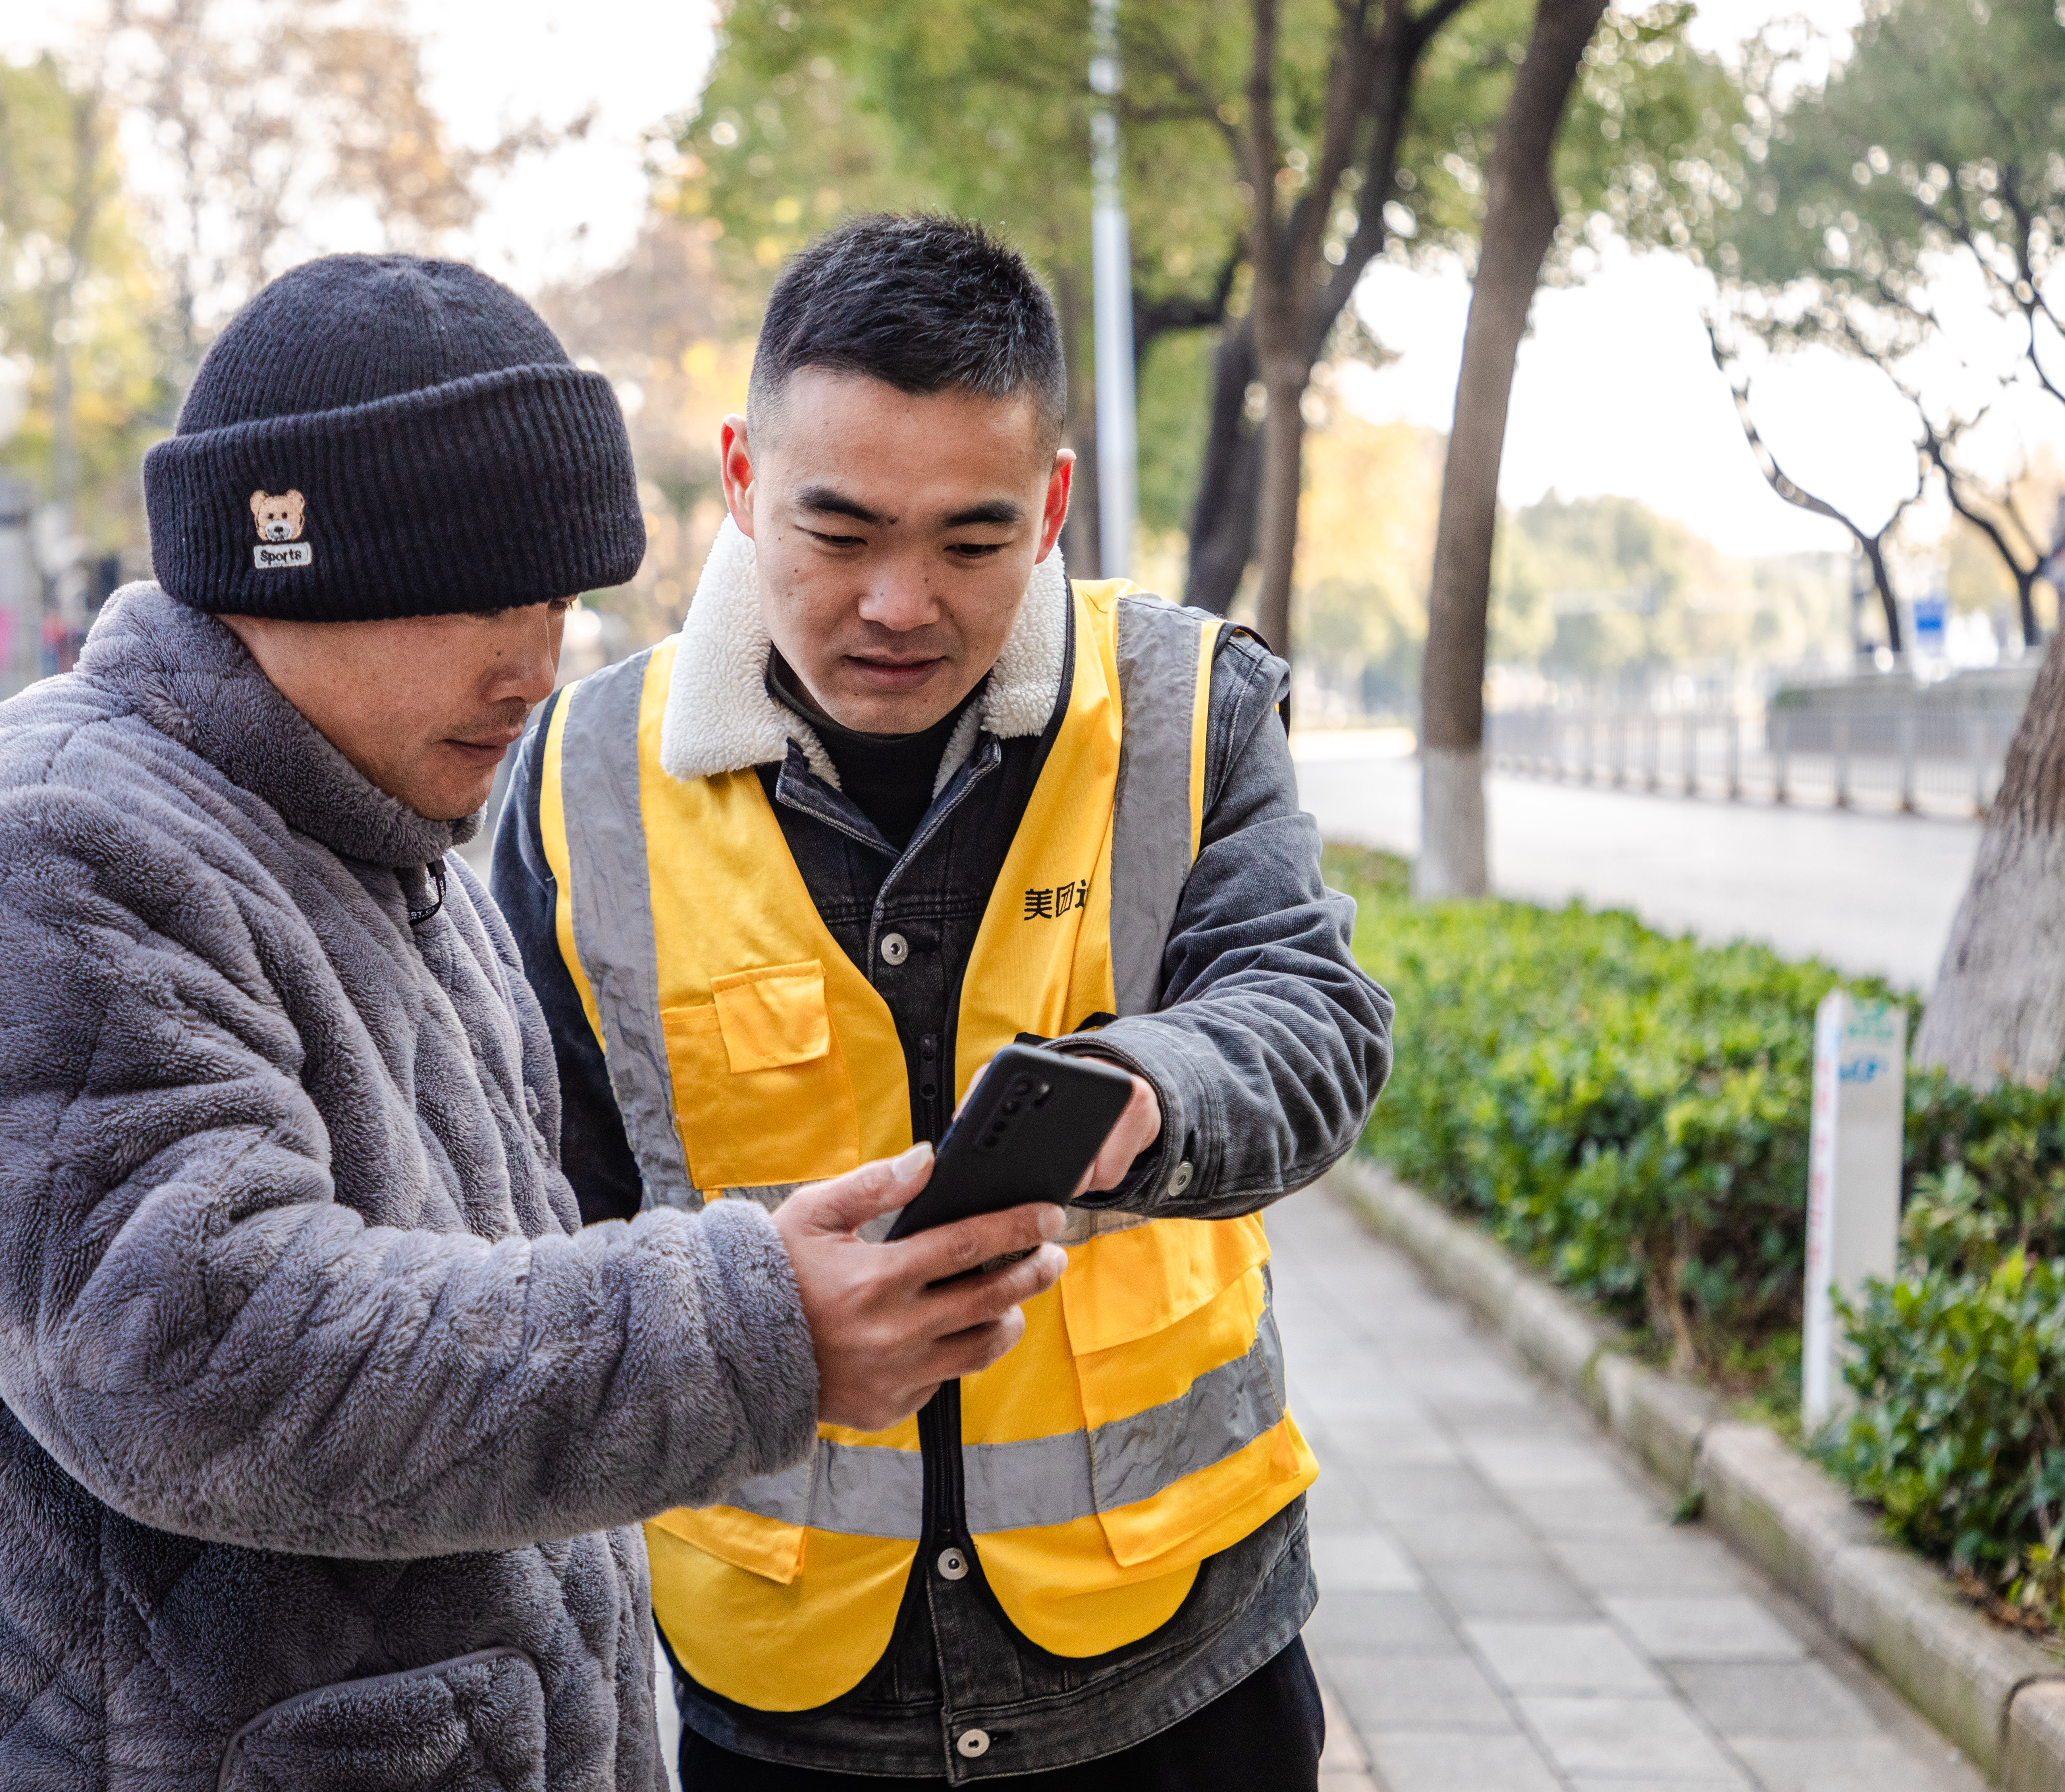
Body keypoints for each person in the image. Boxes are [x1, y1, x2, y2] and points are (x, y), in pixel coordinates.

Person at [0, 253, 1075, 1792]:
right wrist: (759, 1328)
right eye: (485, 595)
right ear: (292, 562)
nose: (535, 662)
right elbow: (204, 1354)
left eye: (556, 597)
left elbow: (503, 1275)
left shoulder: (381, 839)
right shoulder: (37, 852)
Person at [492, 215, 1395, 1788]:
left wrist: (1151, 1093)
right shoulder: (575, 786)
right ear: (741, 478)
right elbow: (522, 1215)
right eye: (839, 534)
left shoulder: (1187, 710)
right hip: (781, 1693)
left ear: (1053, 503)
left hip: (1179, 1661)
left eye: (972, 542)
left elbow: (1313, 1012)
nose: (901, 603)